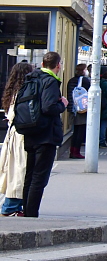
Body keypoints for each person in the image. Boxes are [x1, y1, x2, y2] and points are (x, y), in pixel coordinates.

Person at [22, 51, 68, 218]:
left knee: (30, 175)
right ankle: (31, 214)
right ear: (58, 65)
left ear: (42, 64)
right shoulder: (50, 81)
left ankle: (27, 211)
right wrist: (63, 104)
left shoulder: (31, 78)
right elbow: (48, 107)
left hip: (30, 131)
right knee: (39, 177)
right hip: (46, 134)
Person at [0, 61, 33, 216]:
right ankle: (10, 206)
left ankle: (13, 206)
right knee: (19, 171)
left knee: (14, 171)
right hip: (20, 136)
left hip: (13, 134)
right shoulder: (23, 92)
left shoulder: (11, 91)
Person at [65, 64, 90, 159]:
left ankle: (73, 151)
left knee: (75, 131)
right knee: (80, 131)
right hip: (81, 109)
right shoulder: (85, 81)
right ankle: (76, 152)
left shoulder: (71, 80)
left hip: (73, 108)